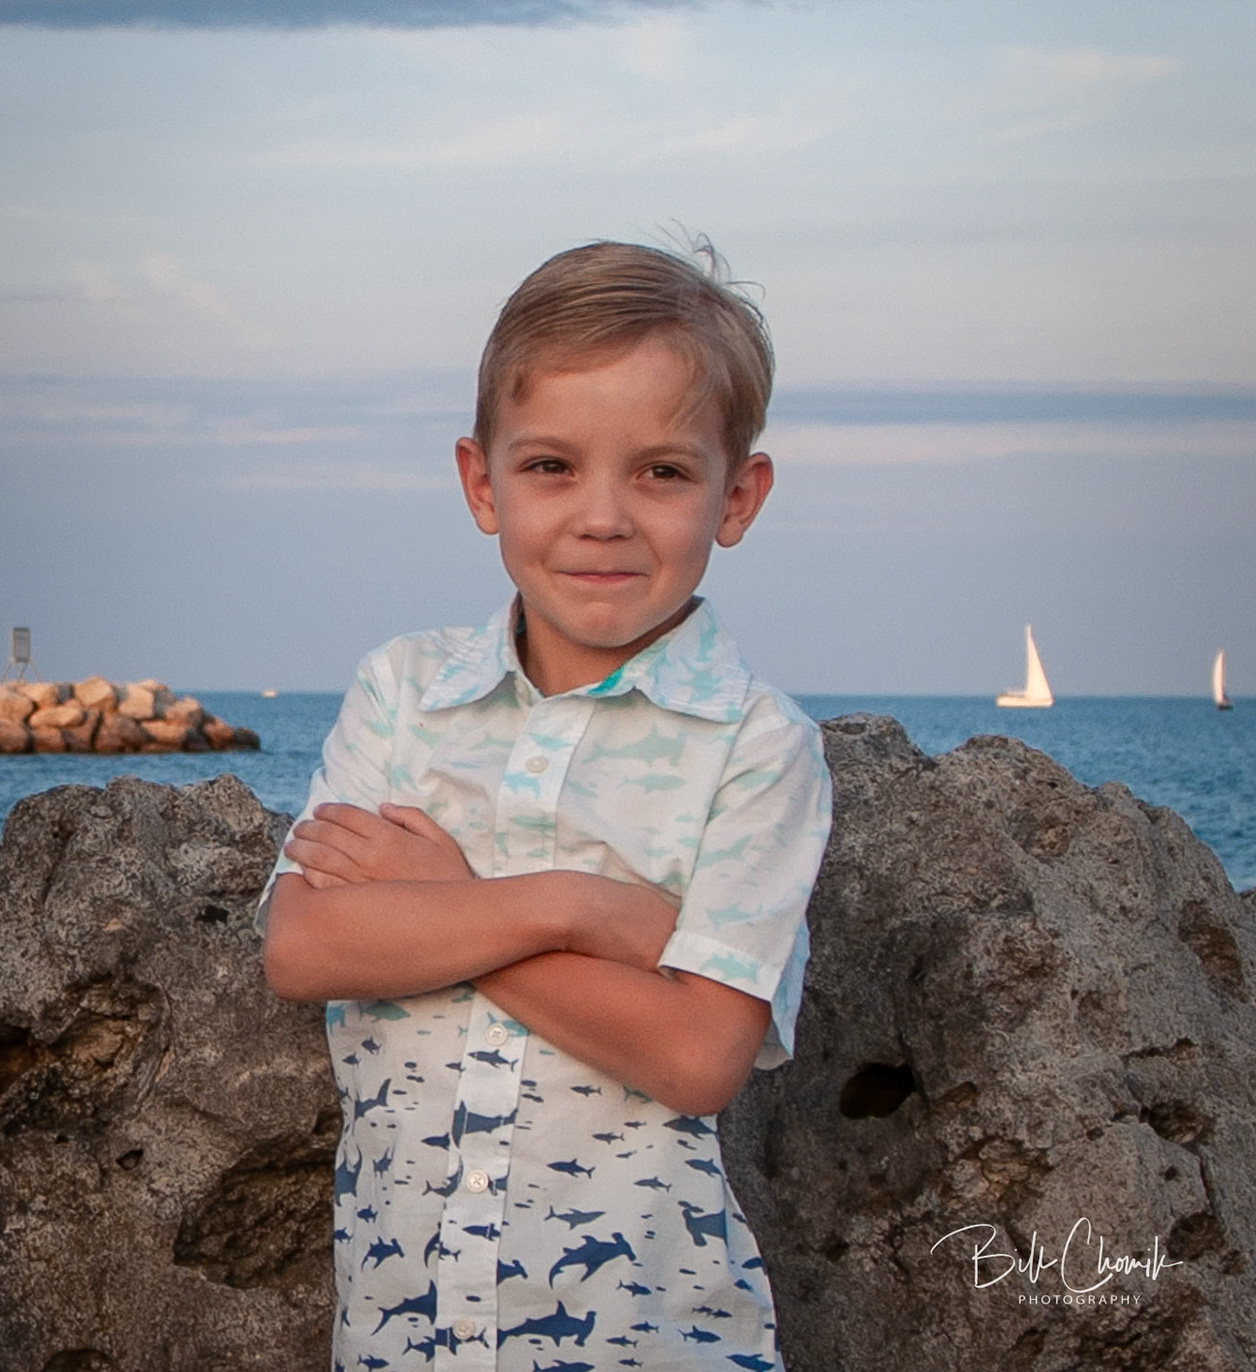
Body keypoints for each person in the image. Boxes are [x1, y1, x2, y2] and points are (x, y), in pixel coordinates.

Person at [258, 240, 833, 1371]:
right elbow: (308, 942)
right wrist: (578, 909)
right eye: (552, 467)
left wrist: (453, 910)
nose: (604, 516)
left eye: (663, 472)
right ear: (483, 483)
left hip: (652, 1344)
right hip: (400, 1344)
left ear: (739, 494)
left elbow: (695, 1052)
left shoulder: (758, 749)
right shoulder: (405, 693)